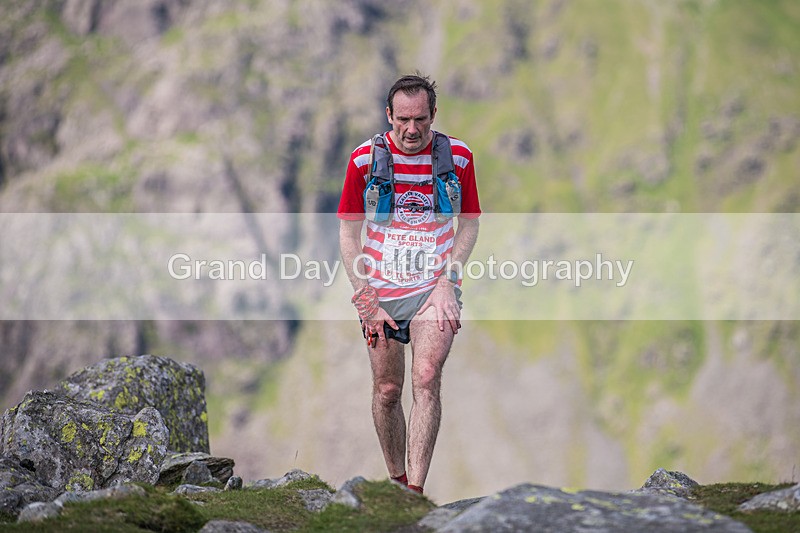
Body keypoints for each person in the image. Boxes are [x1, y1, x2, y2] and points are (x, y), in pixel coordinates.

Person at [337, 74, 481, 495]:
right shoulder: (364, 160)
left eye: (420, 119)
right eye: (403, 119)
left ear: (433, 115)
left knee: (426, 377)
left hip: (434, 288)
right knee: (386, 390)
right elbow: (349, 234)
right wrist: (367, 300)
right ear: (389, 116)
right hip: (380, 292)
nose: (412, 129)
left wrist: (446, 282)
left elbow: (469, 223)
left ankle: (414, 492)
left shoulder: (458, 157)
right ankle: (396, 484)